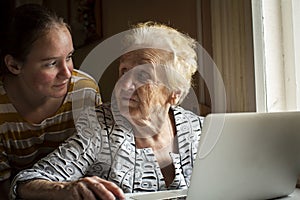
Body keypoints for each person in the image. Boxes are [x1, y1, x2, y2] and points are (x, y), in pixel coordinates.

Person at [10, 21, 204, 200]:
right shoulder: (100, 128)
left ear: (174, 93)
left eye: (142, 74)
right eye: (124, 71)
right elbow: (25, 181)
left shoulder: (199, 129)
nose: (125, 84)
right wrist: (66, 189)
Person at [0, 4, 101, 198]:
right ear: (14, 65)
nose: (67, 73)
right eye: (51, 63)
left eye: (69, 57)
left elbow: (95, 164)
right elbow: (3, 190)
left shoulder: (85, 93)